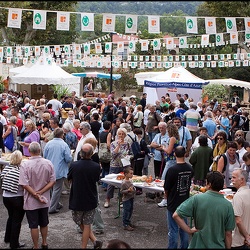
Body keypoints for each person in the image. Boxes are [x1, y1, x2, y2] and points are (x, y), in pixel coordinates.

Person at [173, 171, 235, 249]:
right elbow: (228, 233)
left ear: (209, 185)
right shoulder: (228, 205)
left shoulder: (197, 198)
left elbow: (176, 215)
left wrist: (189, 230)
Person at [19, 142, 56, 249]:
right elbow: (52, 181)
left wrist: (35, 193)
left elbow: (24, 184)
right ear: (40, 150)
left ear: (29, 151)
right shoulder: (48, 163)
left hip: (31, 200)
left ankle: (35, 246)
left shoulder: (25, 164)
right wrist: (41, 192)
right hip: (44, 199)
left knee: (33, 225)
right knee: (44, 223)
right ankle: (44, 242)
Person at [68, 143, 103, 249]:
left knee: (79, 221)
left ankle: (87, 245)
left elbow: (69, 178)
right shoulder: (96, 167)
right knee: (87, 224)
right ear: (91, 154)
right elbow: (97, 180)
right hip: (90, 197)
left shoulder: (74, 165)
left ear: (80, 153)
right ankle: (94, 241)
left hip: (77, 197)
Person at [164, 146, 194, 249]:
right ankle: (184, 246)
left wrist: (166, 198)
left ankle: (172, 247)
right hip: (184, 201)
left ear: (174, 154)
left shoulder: (172, 170)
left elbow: (166, 188)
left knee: (173, 229)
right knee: (184, 227)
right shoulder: (190, 168)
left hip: (173, 202)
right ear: (185, 154)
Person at [43, 128, 72, 214]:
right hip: (59, 170)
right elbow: (68, 158)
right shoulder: (64, 145)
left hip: (49, 169)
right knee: (57, 189)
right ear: (62, 135)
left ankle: (56, 204)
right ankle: (52, 208)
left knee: (51, 188)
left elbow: (44, 156)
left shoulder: (48, 144)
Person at [1, 150, 25, 249]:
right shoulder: (20, 171)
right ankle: (14, 243)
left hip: (6, 197)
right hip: (17, 197)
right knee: (17, 221)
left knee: (10, 217)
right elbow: (24, 185)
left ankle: (7, 237)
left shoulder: (6, 168)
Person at [104, 127, 132, 208]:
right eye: (119, 134)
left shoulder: (127, 144)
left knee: (123, 183)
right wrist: (118, 146)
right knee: (111, 183)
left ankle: (121, 200)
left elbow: (131, 153)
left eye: (123, 134)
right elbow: (113, 155)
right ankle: (107, 199)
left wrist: (128, 156)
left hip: (124, 165)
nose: (121, 135)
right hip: (115, 165)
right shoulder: (113, 143)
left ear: (125, 135)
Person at [231, 168, 250, 248]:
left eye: (234, 177)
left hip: (238, 241)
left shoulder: (238, 196)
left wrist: (247, 237)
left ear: (242, 180)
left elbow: (238, 221)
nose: (232, 180)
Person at [120, 167, 136, 231]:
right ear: (126, 174)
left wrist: (133, 190)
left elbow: (133, 188)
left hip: (131, 197)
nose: (132, 175)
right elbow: (121, 191)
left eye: (132, 174)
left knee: (130, 210)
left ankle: (128, 221)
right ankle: (125, 224)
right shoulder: (124, 183)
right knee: (126, 211)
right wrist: (128, 191)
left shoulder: (130, 180)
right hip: (126, 199)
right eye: (131, 173)